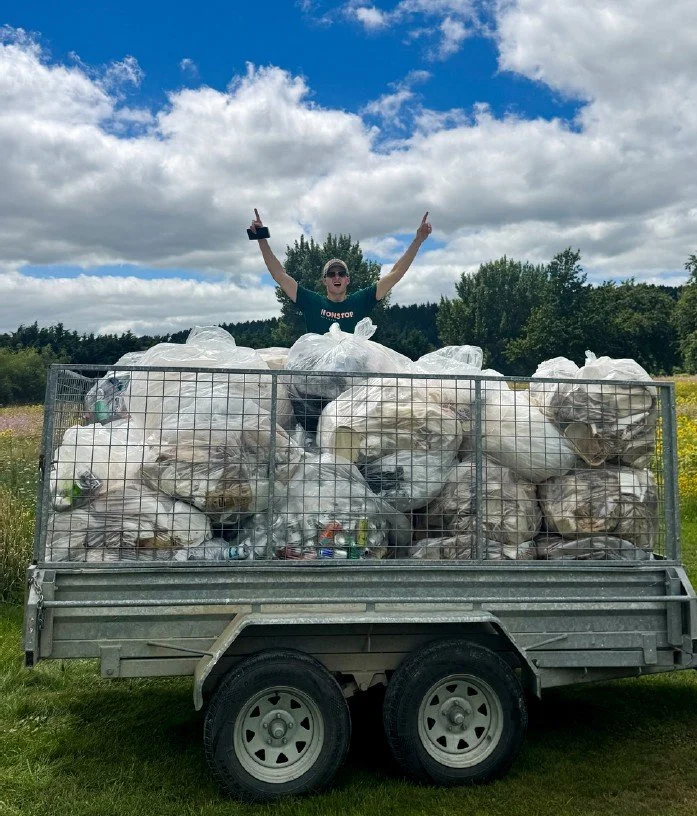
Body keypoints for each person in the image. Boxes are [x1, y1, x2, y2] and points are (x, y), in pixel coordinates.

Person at [249, 208, 432, 334]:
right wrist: (261, 238)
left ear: (347, 280)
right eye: (331, 274)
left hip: (351, 377)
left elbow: (395, 274)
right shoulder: (311, 302)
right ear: (324, 281)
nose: (336, 276)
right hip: (318, 377)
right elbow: (279, 275)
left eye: (341, 273)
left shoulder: (361, 300)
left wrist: (418, 240)